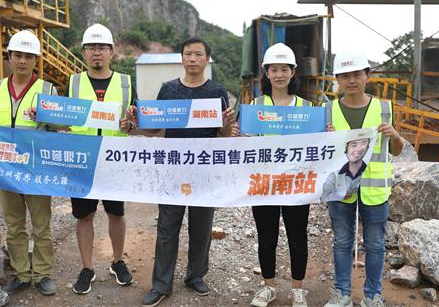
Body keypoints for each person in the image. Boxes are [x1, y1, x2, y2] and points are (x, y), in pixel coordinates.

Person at [139, 37, 234, 307]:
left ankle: (195, 276)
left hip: (204, 169)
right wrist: (140, 119)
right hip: (172, 169)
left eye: (198, 54)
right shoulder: (168, 90)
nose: (192, 59)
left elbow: (224, 133)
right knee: (167, 227)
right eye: (188, 54)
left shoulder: (217, 91)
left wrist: (227, 123)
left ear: (207, 59)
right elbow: (154, 129)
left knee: (201, 227)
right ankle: (161, 284)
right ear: (182, 58)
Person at [0, 30, 57, 296]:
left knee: (41, 225)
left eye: (28, 56)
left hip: (36, 169)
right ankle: (22, 273)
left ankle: (42, 274)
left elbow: (59, 128)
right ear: (10, 57)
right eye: (18, 55)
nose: (23, 61)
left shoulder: (47, 90)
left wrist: (47, 115)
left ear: (36, 60)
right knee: (14, 225)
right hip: (6, 169)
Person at [322, 49, 406, 307]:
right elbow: (319, 154)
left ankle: (372, 296)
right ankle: (342, 294)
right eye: (345, 76)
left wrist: (395, 135)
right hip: (340, 186)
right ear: (337, 79)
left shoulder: (384, 108)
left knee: (376, 244)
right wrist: (325, 138)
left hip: (374, 187)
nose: (351, 80)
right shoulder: (328, 110)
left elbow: (398, 150)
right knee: (342, 242)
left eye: (357, 74)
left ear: (367, 76)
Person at [232, 43, 312, 307]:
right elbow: (246, 146)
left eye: (284, 69)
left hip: (296, 185)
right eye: (274, 69)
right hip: (264, 185)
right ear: (266, 73)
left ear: (293, 72)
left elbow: (317, 145)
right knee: (267, 238)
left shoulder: (307, 108)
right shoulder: (255, 106)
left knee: (297, 238)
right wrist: (238, 136)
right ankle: (269, 287)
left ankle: (298, 290)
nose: (279, 74)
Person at [67, 23, 137, 295]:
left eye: (102, 47)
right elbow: (62, 117)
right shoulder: (73, 82)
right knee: (84, 216)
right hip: (82, 159)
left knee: (116, 213)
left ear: (111, 52)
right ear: (84, 52)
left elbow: (136, 123)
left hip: (114, 159)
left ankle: (118, 261)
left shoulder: (125, 82)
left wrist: (130, 125)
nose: (97, 52)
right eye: (92, 48)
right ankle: (87, 268)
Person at [320, 137, 371, 203]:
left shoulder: (369, 172)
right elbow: (323, 197)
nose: (358, 149)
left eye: (363, 144)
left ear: (367, 148)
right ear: (346, 150)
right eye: (354, 145)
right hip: (340, 205)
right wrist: (338, 196)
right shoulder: (334, 176)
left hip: (369, 203)